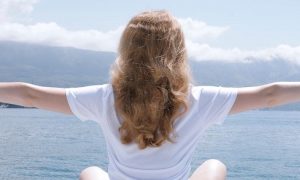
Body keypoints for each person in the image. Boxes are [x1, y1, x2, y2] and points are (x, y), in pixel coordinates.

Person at [0, 10, 300, 180]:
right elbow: (269, 95)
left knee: (91, 171)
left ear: (127, 50)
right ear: (178, 51)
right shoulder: (200, 99)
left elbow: (30, 95)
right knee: (215, 165)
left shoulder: (104, 98)